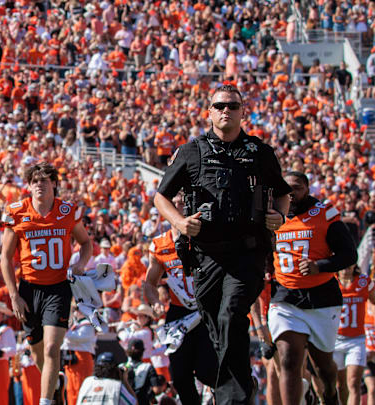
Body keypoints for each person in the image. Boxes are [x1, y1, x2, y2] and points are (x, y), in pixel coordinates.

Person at [154, 84, 292, 404]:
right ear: (209, 111)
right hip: (206, 256)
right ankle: (240, 384)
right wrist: (178, 222)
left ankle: (233, 398)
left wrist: (280, 217)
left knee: (232, 313)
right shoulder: (191, 152)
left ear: (243, 111)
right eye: (219, 106)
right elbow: (161, 196)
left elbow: (283, 192)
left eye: (232, 105)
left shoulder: (260, 152)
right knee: (217, 326)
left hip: (247, 252)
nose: (225, 110)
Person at [0, 162, 93, 405]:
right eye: (34, 181)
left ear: (54, 183)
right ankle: (54, 384)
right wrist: (13, 295)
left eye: (44, 180)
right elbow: (5, 259)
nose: (39, 184)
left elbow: (86, 243)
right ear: (29, 186)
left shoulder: (67, 211)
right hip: (29, 288)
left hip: (59, 287)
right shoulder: (17, 212)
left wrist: (80, 264)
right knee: (36, 351)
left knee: (53, 348)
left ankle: (45, 401)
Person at [268, 171, 357, 405]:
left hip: (322, 297)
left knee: (324, 368)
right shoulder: (271, 215)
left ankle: (329, 395)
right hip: (285, 296)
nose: (291, 193)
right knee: (288, 358)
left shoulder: (325, 214)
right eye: (286, 188)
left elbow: (350, 254)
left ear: (307, 189)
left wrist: (321, 265)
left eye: (296, 187)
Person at [145, 194, 218, 404]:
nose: (178, 207)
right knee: (179, 375)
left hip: (206, 310)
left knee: (207, 371)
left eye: (182, 202)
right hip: (179, 312)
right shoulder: (160, 244)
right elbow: (150, 283)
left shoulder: (206, 237)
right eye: (173, 203)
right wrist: (155, 302)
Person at [334, 266, 375, 405]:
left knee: (353, 382)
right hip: (335, 340)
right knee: (340, 385)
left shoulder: (364, 281)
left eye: (349, 264)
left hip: (356, 340)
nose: (346, 268)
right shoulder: (331, 281)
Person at [61, 305, 97, 405]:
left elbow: (76, 337)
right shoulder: (75, 324)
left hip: (82, 359)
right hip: (71, 360)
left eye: (78, 310)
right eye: (75, 310)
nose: (76, 312)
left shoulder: (88, 324)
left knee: (80, 389)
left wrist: (63, 330)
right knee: (70, 389)